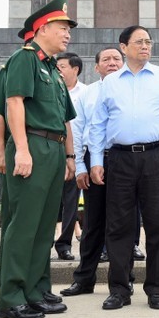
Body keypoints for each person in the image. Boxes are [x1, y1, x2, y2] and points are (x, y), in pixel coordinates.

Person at [88, 25, 159, 311]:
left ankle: (157, 289)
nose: (145, 46)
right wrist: (96, 160)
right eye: (139, 42)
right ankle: (119, 289)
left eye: (148, 42)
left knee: (158, 224)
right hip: (119, 159)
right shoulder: (111, 82)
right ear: (123, 47)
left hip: (158, 156)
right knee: (118, 225)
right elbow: (98, 124)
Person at [0, 0, 77, 318]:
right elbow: (14, 103)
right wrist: (22, 149)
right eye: (62, 27)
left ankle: (36, 289)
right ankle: (11, 296)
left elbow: (66, 118)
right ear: (42, 28)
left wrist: (70, 155)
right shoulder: (24, 59)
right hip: (34, 145)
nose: (67, 34)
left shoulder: (52, 70)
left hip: (55, 149)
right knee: (24, 224)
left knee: (44, 226)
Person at [60, 46, 126, 297]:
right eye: (105, 59)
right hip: (92, 158)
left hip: (125, 158)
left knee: (122, 223)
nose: (112, 63)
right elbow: (76, 132)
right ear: (96, 67)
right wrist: (79, 166)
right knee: (92, 223)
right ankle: (84, 279)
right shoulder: (86, 94)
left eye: (116, 59)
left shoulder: (133, 89)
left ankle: (122, 279)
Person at [53, 51, 86, 261]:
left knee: (71, 203)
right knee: (48, 201)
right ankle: (44, 242)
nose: (58, 70)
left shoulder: (87, 93)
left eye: (62, 66)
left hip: (76, 155)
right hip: (52, 153)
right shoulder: (51, 88)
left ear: (75, 69)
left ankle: (64, 244)